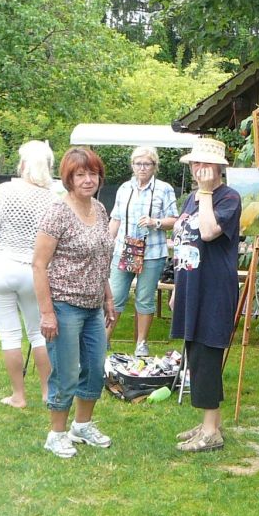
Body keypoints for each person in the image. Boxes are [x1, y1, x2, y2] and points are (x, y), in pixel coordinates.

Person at [33, 147, 117, 458]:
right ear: (68, 178)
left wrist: (108, 297)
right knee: (66, 373)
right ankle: (56, 434)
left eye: (92, 173)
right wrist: (47, 313)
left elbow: (100, 258)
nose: (87, 180)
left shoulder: (100, 209)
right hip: (64, 305)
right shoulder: (58, 212)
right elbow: (38, 264)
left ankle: (82, 426)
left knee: (94, 369)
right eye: (80, 174)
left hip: (94, 307)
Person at [170, 137, 241, 452]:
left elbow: (209, 232)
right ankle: (208, 422)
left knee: (208, 354)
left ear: (218, 168)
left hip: (213, 289)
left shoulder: (228, 197)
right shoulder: (192, 198)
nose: (198, 169)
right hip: (191, 285)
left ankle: (211, 432)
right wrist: (177, 287)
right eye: (195, 163)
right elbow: (184, 242)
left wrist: (207, 193)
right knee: (195, 353)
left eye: (204, 164)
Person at [0, 140, 56, 408]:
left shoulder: (6, 190)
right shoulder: (53, 198)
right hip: (33, 270)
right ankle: (47, 392)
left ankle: (18, 395)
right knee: (38, 333)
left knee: (8, 334)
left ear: (23, 164)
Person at [106, 145, 179, 357]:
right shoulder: (124, 188)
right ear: (132, 165)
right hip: (124, 249)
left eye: (147, 164)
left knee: (145, 299)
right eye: (138, 163)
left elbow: (174, 220)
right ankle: (103, 339)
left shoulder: (164, 189)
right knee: (115, 296)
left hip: (152, 253)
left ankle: (141, 344)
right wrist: (106, 244)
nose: (142, 168)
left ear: (155, 166)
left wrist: (155, 222)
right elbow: (116, 219)